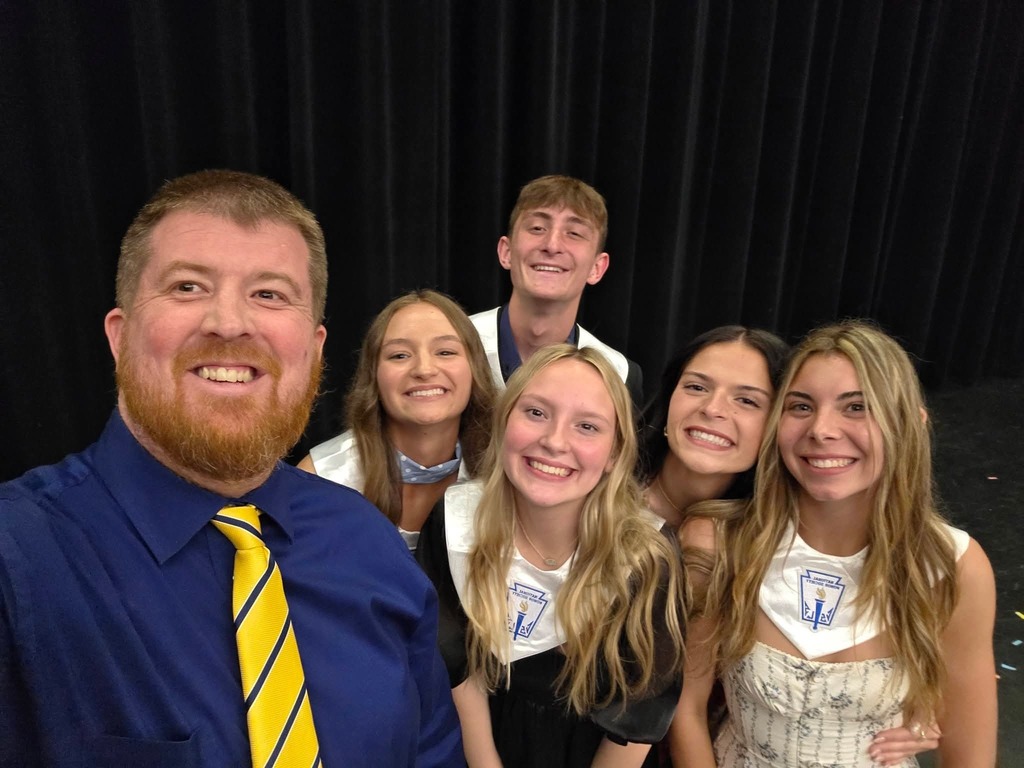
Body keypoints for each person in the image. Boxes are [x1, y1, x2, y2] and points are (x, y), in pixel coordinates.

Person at [0, 170, 463, 766]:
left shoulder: (369, 543)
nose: (229, 322)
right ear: (120, 336)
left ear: (315, 350)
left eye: (269, 294)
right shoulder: (19, 565)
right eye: (188, 286)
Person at [670, 320, 997, 767]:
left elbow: (969, 751)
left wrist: (929, 712)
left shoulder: (952, 565)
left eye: (856, 407)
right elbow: (686, 709)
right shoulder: (718, 541)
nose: (822, 429)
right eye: (801, 406)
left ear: (907, 422)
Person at [418, 344, 685, 768]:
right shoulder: (455, 522)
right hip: (474, 742)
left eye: (587, 426)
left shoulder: (645, 558)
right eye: (536, 413)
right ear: (505, 423)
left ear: (615, 453)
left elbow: (638, 711)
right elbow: (456, 663)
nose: (554, 441)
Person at [298, 289, 496, 550]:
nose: (424, 370)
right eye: (400, 355)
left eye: (445, 352)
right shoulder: (321, 480)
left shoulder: (505, 474)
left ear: (475, 368)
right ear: (374, 377)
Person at [470, 174, 644, 404]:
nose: (552, 245)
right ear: (506, 252)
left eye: (574, 233)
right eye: (537, 228)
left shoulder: (618, 376)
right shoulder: (455, 345)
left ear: (597, 267)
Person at [639, 326, 790, 529]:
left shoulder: (779, 542)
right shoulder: (596, 495)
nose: (712, 409)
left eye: (746, 400)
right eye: (697, 387)